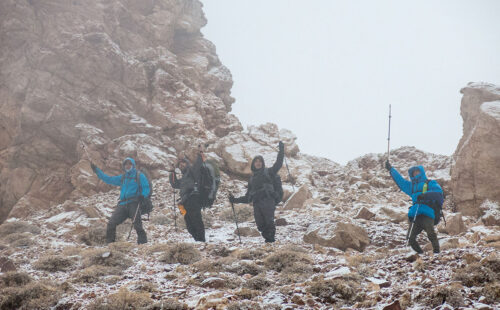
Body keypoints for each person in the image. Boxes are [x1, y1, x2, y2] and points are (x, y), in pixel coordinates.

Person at [230, 141, 284, 243]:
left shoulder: (269, 172)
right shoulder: (251, 179)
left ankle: (271, 240)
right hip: (257, 202)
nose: (258, 163)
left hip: (268, 200)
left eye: (260, 161)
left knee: (269, 221)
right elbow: (247, 197)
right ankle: (268, 239)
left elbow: (278, 163)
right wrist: (235, 200)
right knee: (260, 224)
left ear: (262, 163)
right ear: (253, 164)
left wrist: (281, 150)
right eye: (256, 161)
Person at [385, 160, 443, 254]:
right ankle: (421, 254)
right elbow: (401, 182)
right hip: (415, 214)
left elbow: (439, 193)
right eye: (413, 173)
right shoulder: (411, 186)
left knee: (431, 233)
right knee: (410, 238)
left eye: (417, 172)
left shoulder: (429, 183)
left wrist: (425, 195)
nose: (415, 174)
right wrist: (391, 170)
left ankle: (437, 253)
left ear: (421, 172)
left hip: (427, 213)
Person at [91, 158, 150, 244]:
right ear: (124, 166)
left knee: (137, 225)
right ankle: (110, 244)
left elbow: (146, 187)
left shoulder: (139, 175)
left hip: (134, 202)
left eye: (130, 164)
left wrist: (143, 196)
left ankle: (143, 244)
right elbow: (108, 179)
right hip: (122, 204)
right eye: (126, 164)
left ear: (133, 165)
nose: (128, 166)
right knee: (111, 223)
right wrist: (96, 170)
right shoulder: (123, 177)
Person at [169, 151, 206, 242]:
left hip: (193, 198)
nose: (181, 165)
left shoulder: (192, 172)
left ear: (188, 164)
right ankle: (198, 240)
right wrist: (172, 172)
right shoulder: (183, 178)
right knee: (189, 224)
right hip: (185, 201)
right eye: (180, 164)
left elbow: (198, 165)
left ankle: (201, 240)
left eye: (183, 163)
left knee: (196, 220)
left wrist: (200, 153)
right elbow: (174, 184)